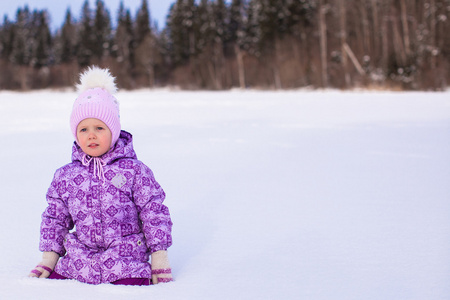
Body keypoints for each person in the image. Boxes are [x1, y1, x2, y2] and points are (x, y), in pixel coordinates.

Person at [29, 66, 173, 285]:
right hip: (79, 263)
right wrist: (49, 259)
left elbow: (154, 211)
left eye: (100, 127)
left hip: (126, 260)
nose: (91, 135)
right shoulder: (65, 176)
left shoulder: (134, 171)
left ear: (113, 131)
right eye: (83, 129)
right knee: (54, 288)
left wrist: (159, 257)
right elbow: (55, 218)